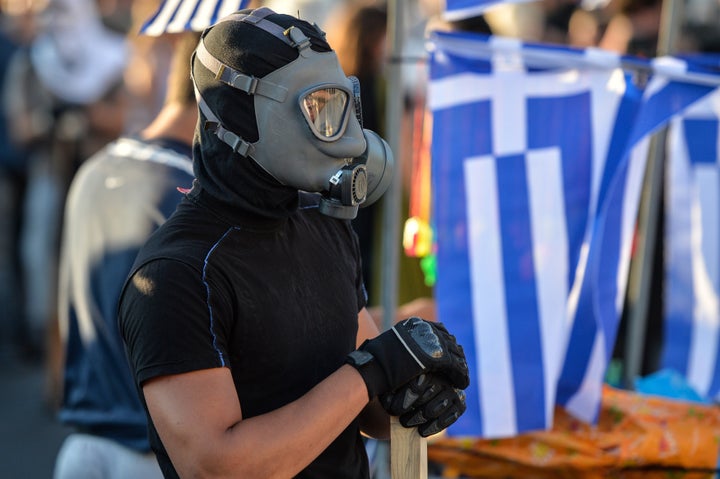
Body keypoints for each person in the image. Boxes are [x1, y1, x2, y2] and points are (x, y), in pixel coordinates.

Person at [118, 7, 470, 478]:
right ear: (242, 117)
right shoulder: (176, 275)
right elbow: (217, 468)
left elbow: (360, 410)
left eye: (342, 106)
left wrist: (409, 398)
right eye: (318, 109)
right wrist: (369, 373)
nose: (342, 135)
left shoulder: (323, 224)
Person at [52, 15, 202, 479]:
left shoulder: (94, 169)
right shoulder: (193, 194)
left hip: (82, 446)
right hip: (154, 452)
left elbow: (68, 319)